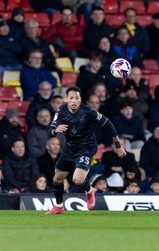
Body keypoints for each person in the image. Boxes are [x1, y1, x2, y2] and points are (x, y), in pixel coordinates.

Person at [46, 86, 126, 214]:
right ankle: (59, 206)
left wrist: (118, 146)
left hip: (86, 147)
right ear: (67, 99)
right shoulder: (61, 111)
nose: (74, 101)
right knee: (57, 178)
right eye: (71, 98)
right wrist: (55, 130)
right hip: (70, 148)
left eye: (76, 98)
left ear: (80, 99)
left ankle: (89, 191)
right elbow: (51, 131)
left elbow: (108, 124)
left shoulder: (89, 111)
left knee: (77, 179)